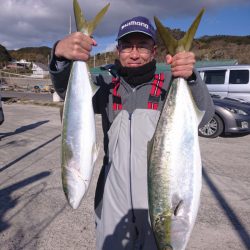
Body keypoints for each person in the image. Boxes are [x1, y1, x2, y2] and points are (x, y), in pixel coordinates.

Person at [49, 16, 214, 250]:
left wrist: (192, 77)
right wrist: (59, 56)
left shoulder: (171, 82)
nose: (134, 54)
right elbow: (68, 92)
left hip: (159, 195)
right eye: (127, 46)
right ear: (118, 50)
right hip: (114, 199)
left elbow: (205, 117)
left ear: (154, 50)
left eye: (142, 46)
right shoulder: (105, 86)